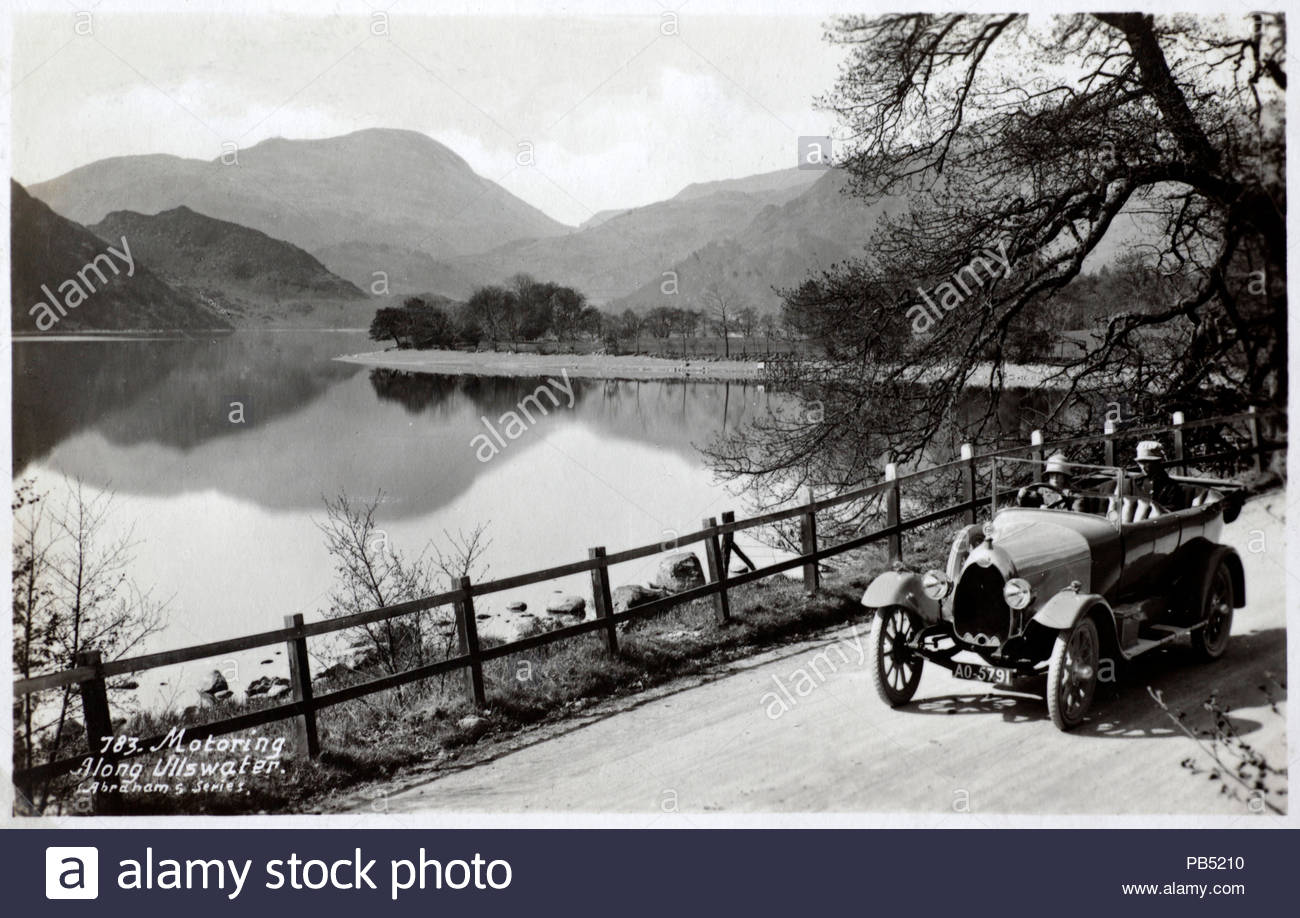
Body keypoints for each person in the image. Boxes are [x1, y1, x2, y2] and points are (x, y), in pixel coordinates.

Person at [1133, 440, 1187, 511]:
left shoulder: (1170, 486)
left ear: (1157, 462)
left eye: (1146, 462)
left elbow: (1172, 511)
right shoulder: (1135, 482)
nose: (1143, 467)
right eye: (1140, 463)